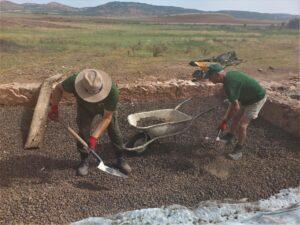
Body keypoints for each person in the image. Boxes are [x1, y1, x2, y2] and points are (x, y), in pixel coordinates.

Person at [48, 69, 131, 176]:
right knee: (83, 131)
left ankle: (120, 158)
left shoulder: (112, 91)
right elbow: (59, 88)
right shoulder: (74, 81)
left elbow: (107, 118)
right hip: (84, 107)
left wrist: (94, 138)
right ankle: (84, 160)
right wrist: (54, 107)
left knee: (114, 130)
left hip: (105, 107)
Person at [197, 64, 267, 160]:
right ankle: (229, 136)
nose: (209, 79)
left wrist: (225, 121)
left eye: (210, 77)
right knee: (235, 118)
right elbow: (234, 103)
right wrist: (225, 119)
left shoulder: (229, 84)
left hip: (256, 100)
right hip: (245, 98)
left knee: (242, 126)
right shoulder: (229, 76)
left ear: (217, 75)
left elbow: (235, 107)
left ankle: (239, 150)